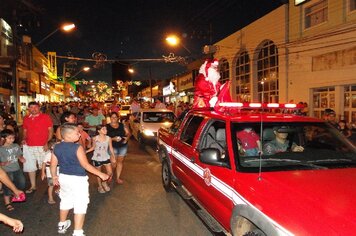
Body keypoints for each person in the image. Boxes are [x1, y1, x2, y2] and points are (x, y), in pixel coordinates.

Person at [51, 123, 109, 236]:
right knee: (80, 203)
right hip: (78, 180)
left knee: (65, 200)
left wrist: (54, 176)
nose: (79, 134)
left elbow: (53, 165)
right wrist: (101, 174)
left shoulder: (56, 147)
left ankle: (62, 224)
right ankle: (77, 232)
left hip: (64, 178)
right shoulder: (77, 147)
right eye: (77, 133)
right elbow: (86, 165)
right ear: (67, 135)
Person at [22, 101, 53, 194]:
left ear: (39, 108)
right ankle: (33, 186)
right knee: (30, 167)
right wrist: (24, 139)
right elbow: (25, 131)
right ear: (28, 109)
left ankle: (51, 186)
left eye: (35, 107)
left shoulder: (45, 117)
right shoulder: (26, 118)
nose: (33, 109)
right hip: (29, 146)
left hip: (42, 145)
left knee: (46, 166)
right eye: (31, 107)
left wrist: (47, 142)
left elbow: (50, 131)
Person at [0, 129, 26, 211]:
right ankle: (7, 202)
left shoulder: (15, 146)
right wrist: (3, 164)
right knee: (7, 186)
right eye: (9, 138)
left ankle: (15, 192)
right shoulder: (1, 149)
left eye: (13, 138)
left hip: (17, 168)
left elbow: (19, 154)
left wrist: (21, 158)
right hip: (6, 171)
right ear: (3, 138)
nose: (12, 139)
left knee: (22, 183)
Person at [85, 125, 115, 193]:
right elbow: (93, 147)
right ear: (98, 131)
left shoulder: (108, 138)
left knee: (110, 173)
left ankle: (104, 182)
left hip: (106, 157)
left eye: (106, 129)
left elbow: (111, 148)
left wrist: (113, 156)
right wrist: (86, 151)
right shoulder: (95, 138)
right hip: (97, 158)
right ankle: (100, 186)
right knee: (99, 173)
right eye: (103, 129)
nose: (106, 130)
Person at [106, 112, 131, 184]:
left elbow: (128, 133)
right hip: (112, 146)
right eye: (112, 117)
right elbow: (104, 137)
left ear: (118, 118)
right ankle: (110, 175)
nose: (113, 118)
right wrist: (113, 139)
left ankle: (117, 178)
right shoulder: (106, 126)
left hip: (123, 146)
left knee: (120, 161)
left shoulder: (122, 125)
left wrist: (127, 138)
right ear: (110, 118)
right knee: (113, 163)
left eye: (115, 117)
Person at [41, 140, 59, 204]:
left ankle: (58, 190)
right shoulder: (49, 154)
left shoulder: (59, 153)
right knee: (51, 185)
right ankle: (50, 197)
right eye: (58, 145)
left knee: (61, 183)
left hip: (59, 171)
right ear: (52, 147)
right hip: (50, 172)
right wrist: (43, 172)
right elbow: (44, 163)